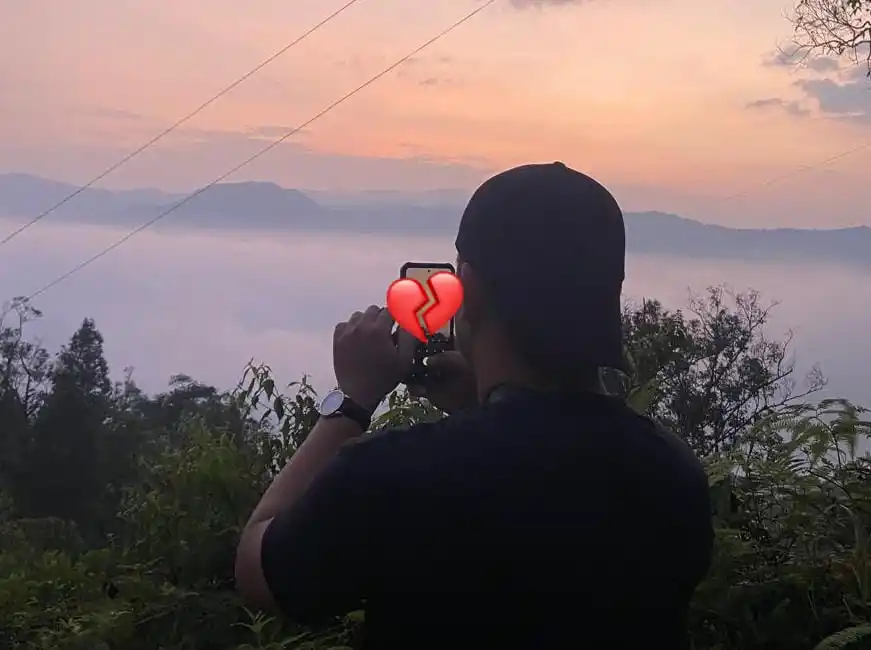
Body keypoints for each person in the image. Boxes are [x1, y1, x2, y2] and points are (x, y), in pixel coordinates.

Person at [234, 163, 714, 649]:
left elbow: (261, 571)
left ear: (471, 290)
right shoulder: (673, 473)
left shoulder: (398, 476)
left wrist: (353, 402)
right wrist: (478, 405)